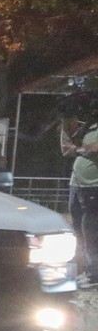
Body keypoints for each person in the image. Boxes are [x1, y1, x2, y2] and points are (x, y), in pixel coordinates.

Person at [62, 114, 98, 287]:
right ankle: (86, 270)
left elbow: (92, 148)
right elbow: (65, 149)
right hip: (76, 184)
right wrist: (65, 120)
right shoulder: (88, 127)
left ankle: (94, 274)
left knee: (90, 230)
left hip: (93, 186)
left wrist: (78, 149)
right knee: (78, 229)